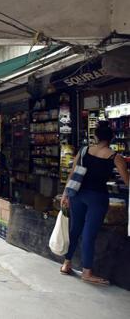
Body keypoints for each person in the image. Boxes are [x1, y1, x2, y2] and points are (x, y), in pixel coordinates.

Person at [60, 122, 129, 285]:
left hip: (77, 194)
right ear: (111, 138)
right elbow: (127, 181)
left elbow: (72, 173)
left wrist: (65, 194)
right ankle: (87, 272)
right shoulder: (115, 156)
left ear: (96, 136)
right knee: (89, 235)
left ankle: (66, 264)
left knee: (75, 230)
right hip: (97, 198)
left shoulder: (84, 151)